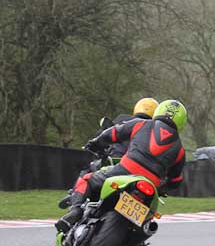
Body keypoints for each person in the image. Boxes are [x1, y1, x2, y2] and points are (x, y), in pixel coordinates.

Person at [55, 99, 188, 232]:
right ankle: (137, 235)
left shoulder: (141, 124)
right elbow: (175, 180)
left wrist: (96, 143)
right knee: (147, 221)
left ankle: (75, 210)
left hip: (126, 170)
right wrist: (162, 188)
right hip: (151, 184)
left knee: (87, 179)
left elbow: (113, 133)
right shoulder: (180, 150)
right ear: (181, 122)